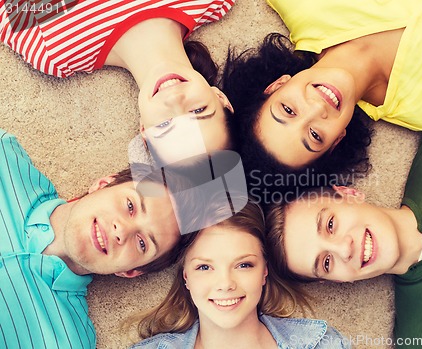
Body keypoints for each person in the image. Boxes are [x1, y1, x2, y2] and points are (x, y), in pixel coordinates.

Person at [265, 107, 422, 347]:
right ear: (337, 281)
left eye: (330, 224)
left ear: (348, 194)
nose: (344, 250)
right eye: (326, 263)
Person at [222, 0, 422, 191]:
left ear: (277, 85)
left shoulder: (303, 5)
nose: (316, 109)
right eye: (315, 136)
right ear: (337, 141)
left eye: (288, 110)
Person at [0, 128, 196, 349]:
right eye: (130, 206)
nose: (122, 231)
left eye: (142, 243)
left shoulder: (66, 343)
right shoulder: (4, 158)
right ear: (103, 184)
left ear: (130, 271)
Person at [1, 0, 236, 161]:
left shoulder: (56, 50)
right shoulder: (214, 2)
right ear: (220, 97)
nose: (174, 98)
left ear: (144, 132)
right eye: (198, 110)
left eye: (166, 125)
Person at [127, 196, 350, 349]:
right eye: (204, 267)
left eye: (244, 265)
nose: (225, 283)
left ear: (264, 271)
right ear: (186, 277)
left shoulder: (322, 343)